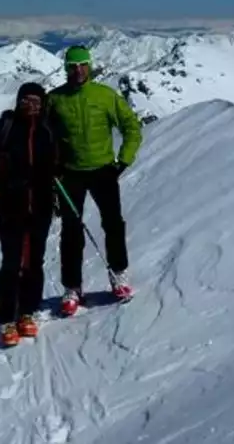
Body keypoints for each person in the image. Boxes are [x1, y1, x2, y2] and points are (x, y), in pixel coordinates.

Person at [46, 45, 143, 316]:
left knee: (113, 224)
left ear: (90, 65)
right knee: (71, 230)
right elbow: (42, 135)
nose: (78, 70)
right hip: (69, 173)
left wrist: (122, 161)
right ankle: (72, 287)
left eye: (82, 65)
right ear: (65, 68)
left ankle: (119, 275)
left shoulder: (105, 96)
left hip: (103, 170)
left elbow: (131, 128)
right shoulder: (54, 100)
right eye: (72, 66)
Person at [0, 82, 61, 346]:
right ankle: (6, 317)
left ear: (42, 104)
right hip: (10, 204)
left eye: (36, 101)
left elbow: (59, 161)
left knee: (34, 261)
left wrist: (58, 178)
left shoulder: (48, 130)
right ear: (18, 102)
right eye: (26, 101)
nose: (31, 106)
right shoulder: (4, 128)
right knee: (12, 262)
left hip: (42, 205)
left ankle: (27, 312)